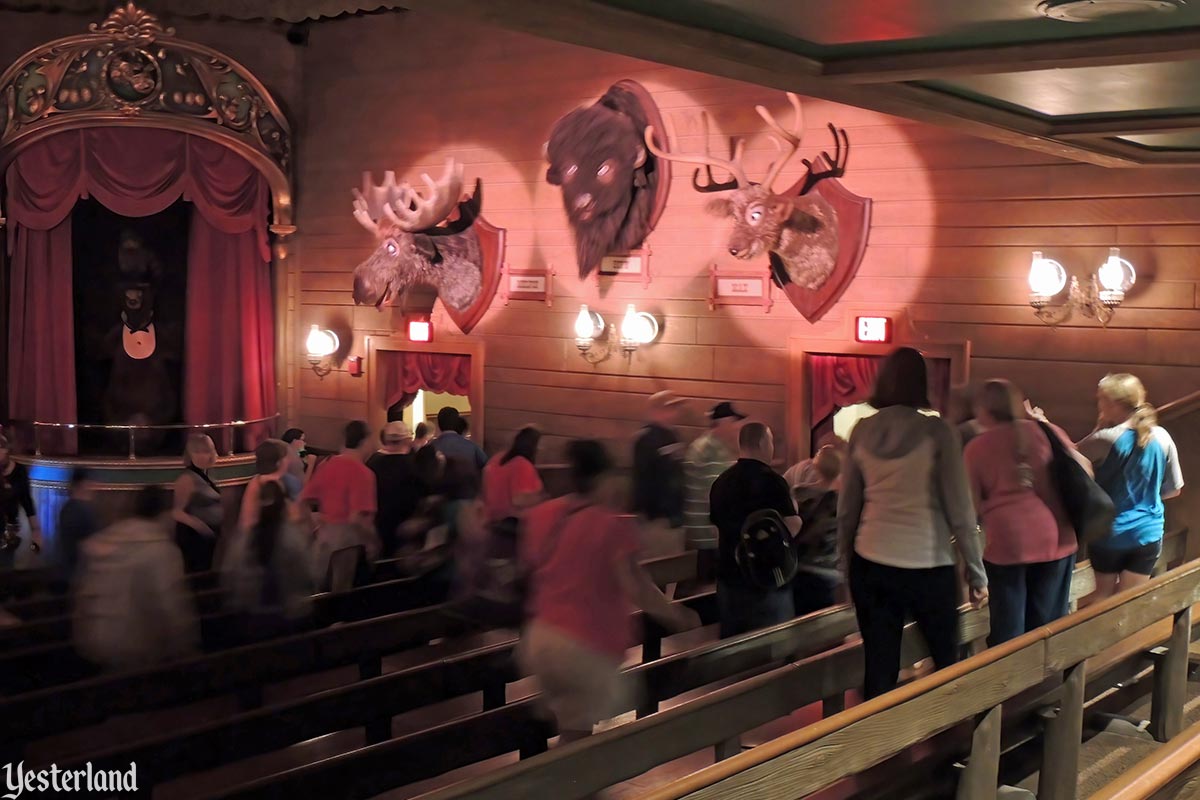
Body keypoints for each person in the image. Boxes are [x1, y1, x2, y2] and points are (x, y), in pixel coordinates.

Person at [517, 440, 700, 742]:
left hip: (539, 640)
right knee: (591, 736)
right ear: (603, 477)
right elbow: (637, 586)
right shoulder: (610, 525)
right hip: (581, 646)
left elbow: (530, 568)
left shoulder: (543, 515)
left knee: (573, 729)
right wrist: (677, 616)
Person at [838, 347, 987, 699]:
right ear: (924, 382)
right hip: (927, 563)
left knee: (879, 665)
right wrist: (977, 572)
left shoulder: (862, 430)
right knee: (945, 662)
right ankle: (946, 742)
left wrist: (844, 564)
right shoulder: (938, 433)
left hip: (871, 561)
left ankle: (877, 747)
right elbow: (961, 511)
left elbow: (847, 509)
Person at [964, 380, 1083, 645]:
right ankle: (1047, 684)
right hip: (1058, 539)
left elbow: (969, 509)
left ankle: (1009, 684)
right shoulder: (1049, 432)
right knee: (1047, 628)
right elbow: (1085, 472)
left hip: (1009, 544)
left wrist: (971, 566)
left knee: (1009, 634)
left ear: (983, 409)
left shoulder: (977, 447)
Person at [1076, 374, 1183, 599]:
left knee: (1103, 597)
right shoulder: (1163, 436)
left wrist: (1044, 424)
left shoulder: (1107, 438)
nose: (1098, 404)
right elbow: (1174, 490)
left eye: (1100, 399)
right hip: (1149, 532)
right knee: (1127, 601)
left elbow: (1070, 455)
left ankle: (1099, 635)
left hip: (1110, 533)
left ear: (1113, 403)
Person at [74, 487, 199, 670]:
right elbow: (170, 606)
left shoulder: (104, 539)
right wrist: (188, 649)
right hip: (136, 651)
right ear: (164, 515)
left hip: (95, 645)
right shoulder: (160, 550)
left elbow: (82, 597)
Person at [709, 422, 801, 637]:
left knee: (733, 648)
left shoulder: (721, 482)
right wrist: (795, 508)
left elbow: (717, 528)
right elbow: (791, 527)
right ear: (761, 443)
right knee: (773, 649)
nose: (772, 447)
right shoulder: (772, 481)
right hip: (766, 580)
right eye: (771, 442)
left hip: (729, 578)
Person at [221, 480, 316, 641]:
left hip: (253, 620)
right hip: (291, 621)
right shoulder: (292, 536)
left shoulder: (246, 538)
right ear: (283, 506)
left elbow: (229, 575)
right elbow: (308, 574)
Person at [301, 420, 380, 579]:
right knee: (342, 593)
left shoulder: (327, 464)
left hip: (325, 538)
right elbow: (356, 518)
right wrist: (374, 541)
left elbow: (303, 501)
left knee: (322, 592)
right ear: (364, 441)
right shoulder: (364, 473)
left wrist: (315, 527)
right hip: (348, 542)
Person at [683, 402, 744, 554]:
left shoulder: (712, 447)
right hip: (707, 535)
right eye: (733, 422)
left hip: (706, 533)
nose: (737, 427)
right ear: (723, 423)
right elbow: (717, 492)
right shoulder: (709, 450)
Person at [632, 390, 687, 555]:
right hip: (655, 518)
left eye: (675, 409)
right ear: (656, 410)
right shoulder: (646, 438)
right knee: (656, 565)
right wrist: (650, 514)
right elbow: (643, 479)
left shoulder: (672, 435)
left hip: (674, 516)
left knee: (672, 565)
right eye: (669, 408)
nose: (674, 413)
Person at [792, 446, 843, 615]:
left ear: (815, 466)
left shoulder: (799, 493)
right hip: (829, 575)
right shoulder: (843, 502)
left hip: (799, 570)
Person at [368, 421, 420, 556]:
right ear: (407, 440)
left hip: (378, 524)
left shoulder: (373, 462)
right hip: (407, 526)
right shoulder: (413, 464)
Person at [172, 434, 222, 573]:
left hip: (208, 538)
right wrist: (200, 526)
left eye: (206, 451)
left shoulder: (208, 476)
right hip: (194, 538)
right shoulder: (187, 478)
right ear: (190, 454)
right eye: (197, 451)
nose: (202, 456)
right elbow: (177, 512)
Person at [482, 426, 546, 525]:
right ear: (533, 446)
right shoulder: (522, 464)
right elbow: (519, 500)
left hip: (490, 520)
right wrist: (542, 498)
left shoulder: (497, 458)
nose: (540, 448)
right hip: (511, 525)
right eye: (539, 445)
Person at [0, 435, 40, 567]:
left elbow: (27, 501)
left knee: (6, 569)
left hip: (9, 531)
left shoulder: (19, 472)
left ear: (7, 451)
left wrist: (35, 531)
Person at [238, 439, 290, 535]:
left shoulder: (257, 479)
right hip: (261, 539)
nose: (289, 461)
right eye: (286, 457)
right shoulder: (271, 484)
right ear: (279, 462)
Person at [57, 468, 99, 582]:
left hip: (70, 571)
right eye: (91, 482)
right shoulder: (81, 510)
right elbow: (88, 547)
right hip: (78, 575)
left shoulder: (67, 508)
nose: (94, 487)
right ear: (82, 484)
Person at [433, 407, 488, 476]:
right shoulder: (472, 447)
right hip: (468, 485)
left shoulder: (430, 448)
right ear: (458, 423)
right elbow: (487, 468)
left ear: (438, 424)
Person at [280, 428, 317, 500]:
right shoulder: (291, 459)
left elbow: (303, 456)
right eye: (302, 440)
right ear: (294, 441)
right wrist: (311, 464)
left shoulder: (287, 452)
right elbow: (303, 487)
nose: (305, 443)